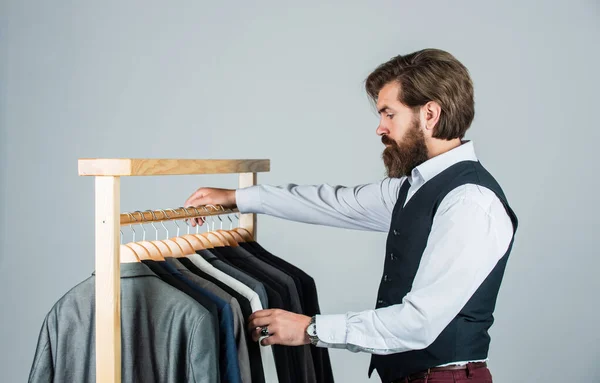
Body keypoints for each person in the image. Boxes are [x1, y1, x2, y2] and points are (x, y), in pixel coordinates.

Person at [184, 48, 518, 383]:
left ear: (429, 114)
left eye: (389, 114)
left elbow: (420, 323)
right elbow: (334, 202)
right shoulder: (414, 187)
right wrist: (238, 198)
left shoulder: (470, 202)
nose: (380, 128)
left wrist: (311, 329)